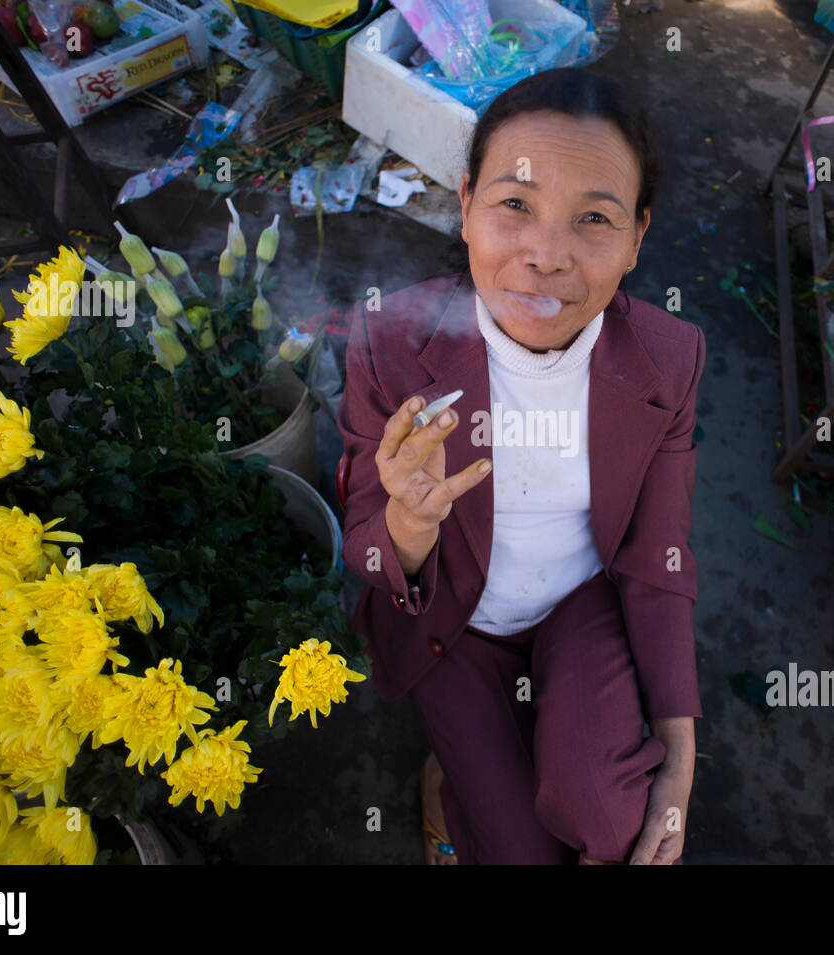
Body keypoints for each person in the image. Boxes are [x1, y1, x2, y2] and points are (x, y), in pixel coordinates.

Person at [336, 67, 705, 865]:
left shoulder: (668, 360)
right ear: (465, 204)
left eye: (594, 219)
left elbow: (659, 557)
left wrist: (679, 764)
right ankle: (446, 782)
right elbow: (363, 552)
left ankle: (518, 755)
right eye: (515, 205)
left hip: (582, 607)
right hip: (451, 626)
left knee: (611, 829)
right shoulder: (392, 344)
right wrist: (406, 522)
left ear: (638, 238)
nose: (546, 256)